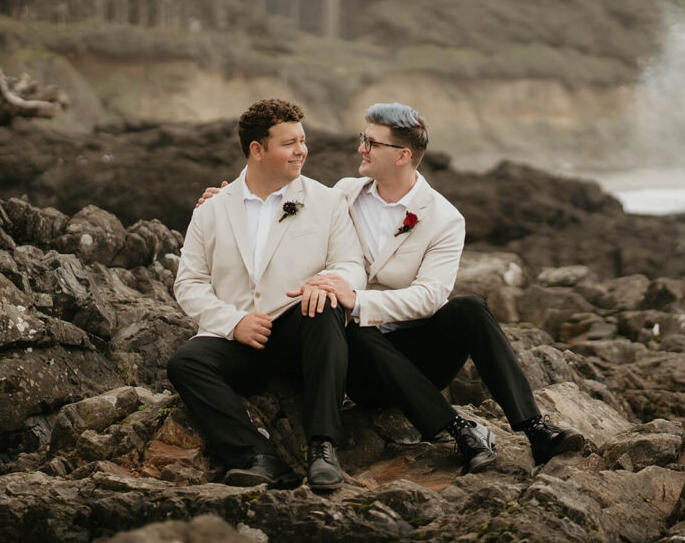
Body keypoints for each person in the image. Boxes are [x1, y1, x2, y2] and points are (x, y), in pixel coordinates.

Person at [199, 103, 585, 473]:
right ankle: (457, 430)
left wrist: (361, 300)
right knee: (353, 327)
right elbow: (280, 196)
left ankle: (535, 429)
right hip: (356, 361)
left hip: (419, 353)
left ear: (402, 155)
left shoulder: (444, 218)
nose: (360, 148)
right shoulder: (344, 193)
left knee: (470, 308)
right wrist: (231, 202)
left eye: (371, 143)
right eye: (362, 138)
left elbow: (432, 296)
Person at [168, 98, 366, 491]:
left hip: (301, 333)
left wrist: (325, 282)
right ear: (257, 150)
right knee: (185, 363)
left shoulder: (327, 201)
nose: (301, 151)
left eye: (303, 140)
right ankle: (259, 457)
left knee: (324, 305)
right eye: (289, 143)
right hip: (241, 338)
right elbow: (188, 283)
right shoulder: (211, 210)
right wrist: (233, 322)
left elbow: (350, 265)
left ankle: (322, 447)